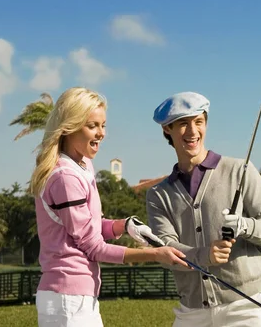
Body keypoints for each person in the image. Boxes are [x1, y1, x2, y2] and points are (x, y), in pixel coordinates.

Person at [31, 87, 188, 327]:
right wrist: (155, 254)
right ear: (70, 126)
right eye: (92, 125)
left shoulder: (82, 166)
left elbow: (91, 228)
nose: (101, 133)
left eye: (103, 125)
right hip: (67, 298)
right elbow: (93, 247)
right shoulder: (66, 177)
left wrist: (124, 226)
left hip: (78, 297)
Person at [145, 91, 261, 327]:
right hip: (192, 311)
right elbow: (165, 249)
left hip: (247, 306)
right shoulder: (158, 194)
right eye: (183, 124)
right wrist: (205, 256)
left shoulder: (240, 170)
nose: (192, 131)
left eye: (198, 122)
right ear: (167, 129)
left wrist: (244, 225)